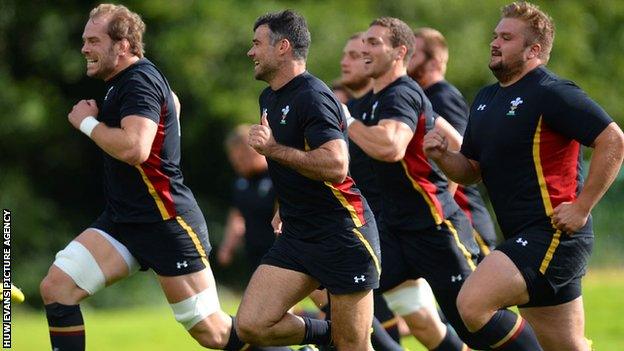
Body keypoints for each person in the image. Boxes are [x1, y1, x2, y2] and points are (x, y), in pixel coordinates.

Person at [38, 4, 292, 351]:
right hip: (125, 221)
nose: (84, 48)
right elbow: (171, 103)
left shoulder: (138, 79)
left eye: (94, 40)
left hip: (165, 221)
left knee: (213, 333)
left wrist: (88, 123)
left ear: (123, 45)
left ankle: (318, 335)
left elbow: (135, 149)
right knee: (58, 287)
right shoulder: (126, 82)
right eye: (85, 40)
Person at [424, 2, 624, 350]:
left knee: (472, 303)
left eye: (506, 37)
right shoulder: (486, 99)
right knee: (566, 347)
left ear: (534, 50)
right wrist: (443, 157)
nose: (495, 42)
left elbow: (613, 139)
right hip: (525, 236)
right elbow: (471, 171)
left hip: (553, 232)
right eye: (495, 35)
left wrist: (582, 207)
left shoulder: (551, 91)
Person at [347, 17, 543, 350]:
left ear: (400, 52)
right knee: (338, 287)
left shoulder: (402, 93)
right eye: (362, 43)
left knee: (474, 321)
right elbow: (456, 139)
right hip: (394, 231)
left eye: (373, 43)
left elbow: (391, 146)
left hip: (434, 229)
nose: (363, 49)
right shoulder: (371, 103)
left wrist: (346, 120)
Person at [237, 10, 381, 350]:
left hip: (343, 234)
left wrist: (271, 148)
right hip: (299, 234)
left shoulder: (313, 95)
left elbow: (335, 165)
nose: (250, 52)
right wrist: (282, 206)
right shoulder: (269, 97)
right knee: (251, 325)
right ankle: (330, 333)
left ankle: (343, 337)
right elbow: (290, 166)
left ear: (283, 47)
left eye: (257, 44)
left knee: (354, 347)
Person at [340, 31, 453, 350]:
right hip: (388, 227)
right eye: (349, 53)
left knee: (469, 316)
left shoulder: (406, 95)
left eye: (359, 51)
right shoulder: (360, 106)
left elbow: (458, 147)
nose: (349, 60)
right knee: (415, 318)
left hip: (435, 221)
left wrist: (447, 202)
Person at [408, 27, 498, 260]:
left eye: (414, 54)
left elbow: (461, 151)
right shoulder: (418, 97)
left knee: (489, 295)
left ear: (434, 61)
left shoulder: (441, 95)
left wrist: (443, 205)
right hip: (439, 216)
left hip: (464, 218)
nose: (407, 60)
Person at [218, 124, 277, 277]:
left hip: (277, 250)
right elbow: (237, 215)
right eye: (234, 161)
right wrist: (227, 246)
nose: (237, 165)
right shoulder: (241, 183)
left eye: (241, 159)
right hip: (253, 252)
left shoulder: (276, 174)